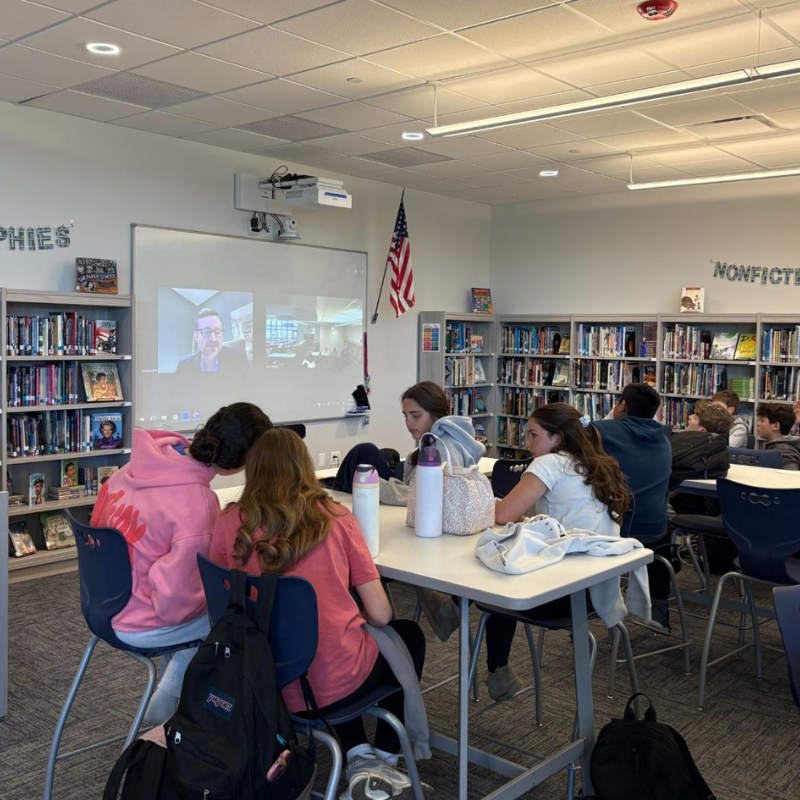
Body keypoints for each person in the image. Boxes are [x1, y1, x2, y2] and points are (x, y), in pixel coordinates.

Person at [211, 428, 426, 800]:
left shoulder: (229, 523)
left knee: (325, 646)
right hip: (329, 686)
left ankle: (358, 753)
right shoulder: (335, 518)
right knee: (404, 636)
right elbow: (380, 613)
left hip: (258, 682)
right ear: (304, 466)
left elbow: (222, 604)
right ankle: (385, 763)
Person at [91, 402, 272, 725]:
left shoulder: (130, 469)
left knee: (203, 604)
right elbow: (175, 606)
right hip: (138, 622)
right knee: (232, 618)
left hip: (100, 605)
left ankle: (174, 695)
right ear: (244, 462)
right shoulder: (198, 504)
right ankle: (171, 702)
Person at [488, 403, 631, 697]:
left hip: (558, 593)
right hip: (597, 592)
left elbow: (503, 514)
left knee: (492, 579)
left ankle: (496, 668)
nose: (526, 443)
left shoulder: (548, 464)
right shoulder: (598, 464)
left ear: (558, 439)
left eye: (533, 435)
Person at [332, 381, 487, 649]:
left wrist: (370, 484)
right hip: (432, 528)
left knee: (363, 454)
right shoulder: (437, 443)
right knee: (366, 453)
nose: (408, 423)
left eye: (415, 415)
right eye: (405, 416)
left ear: (436, 415)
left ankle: (333, 500)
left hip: (431, 534)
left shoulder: (438, 447)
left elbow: (412, 496)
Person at [593, 384, 672, 629]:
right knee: (664, 530)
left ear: (623, 405)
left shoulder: (603, 429)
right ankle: (659, 606)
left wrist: (604, 416)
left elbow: (575, 424)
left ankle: (587, 609)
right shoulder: (665, 438)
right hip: (655, 532)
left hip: (616, 530)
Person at [176, 307, 250, 375]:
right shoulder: (184, 364)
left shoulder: (239, 360)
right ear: (196, 335)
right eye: (206, 332)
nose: (213, 339)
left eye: (217, 331)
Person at [757, 403, 800, 469]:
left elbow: (790, 477)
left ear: (775, 426)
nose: (758, 423)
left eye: (762, 420)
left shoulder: (783, 452)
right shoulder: (781, 446)